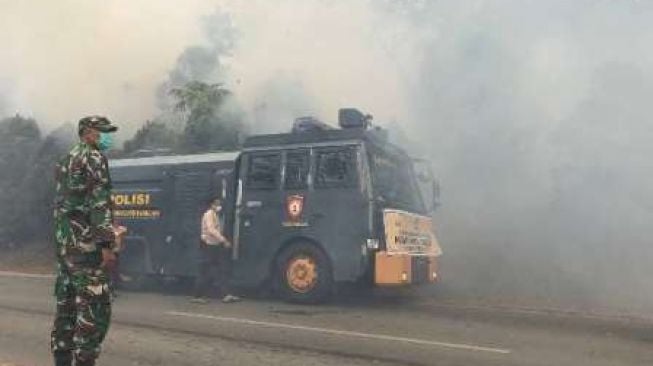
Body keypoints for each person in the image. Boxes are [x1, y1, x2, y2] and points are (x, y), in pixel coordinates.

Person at [51, 115, 126, 366]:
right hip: (86, 247)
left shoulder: (66, 158)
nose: (106, 136)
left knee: (66, 306)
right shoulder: (94, 157)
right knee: (94, 310)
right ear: (87, 132)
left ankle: (61, 359)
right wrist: (107, 244)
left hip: (66, 246)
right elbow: (99, 202)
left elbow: (64, 204)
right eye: (102, 132)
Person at [192, 198, 241, 303]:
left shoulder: (215, 215)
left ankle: (225, 294)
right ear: (212, 204)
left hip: (213, 246)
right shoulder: (209, 214)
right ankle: (197, 297)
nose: (219, 206)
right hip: (207, 245)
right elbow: (211, 230)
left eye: (219, 204)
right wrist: (223, 240)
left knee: (218, 270)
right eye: (217, 204)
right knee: (205, 271)